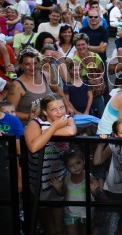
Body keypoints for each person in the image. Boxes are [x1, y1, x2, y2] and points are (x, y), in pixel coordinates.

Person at [24, 93, 77, 235]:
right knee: (50, 228)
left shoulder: (67, 119)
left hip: (59, 177)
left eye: (61, 107)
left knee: (59, 226)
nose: (60, 112)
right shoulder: (35, 123)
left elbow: (71, 131)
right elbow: (34, 147)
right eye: (53, 109)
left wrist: (46, 132)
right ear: (45, 111)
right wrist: (54, 128)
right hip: (40, 180)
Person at [8, 49, 72, 125]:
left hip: (50, 124)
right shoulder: (16, 86)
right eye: (27, 64)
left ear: (39, 63)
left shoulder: (45, 75)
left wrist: (68, 106)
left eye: (35, 63)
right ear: (21, 65)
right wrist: (29, 116)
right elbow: (8, 112)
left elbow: (57, 89)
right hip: (29, 128)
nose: (32, 67)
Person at [49, 148, 98, 235]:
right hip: (70, 212)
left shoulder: (89, 177)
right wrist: (58, 188)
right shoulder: (66, 178)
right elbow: (62, 193)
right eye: (71, 166)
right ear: (67, 168)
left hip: (86, 212)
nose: (75, 167)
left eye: (78, 163)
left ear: (84, 161)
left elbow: (96, 193)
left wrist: (94, 190)